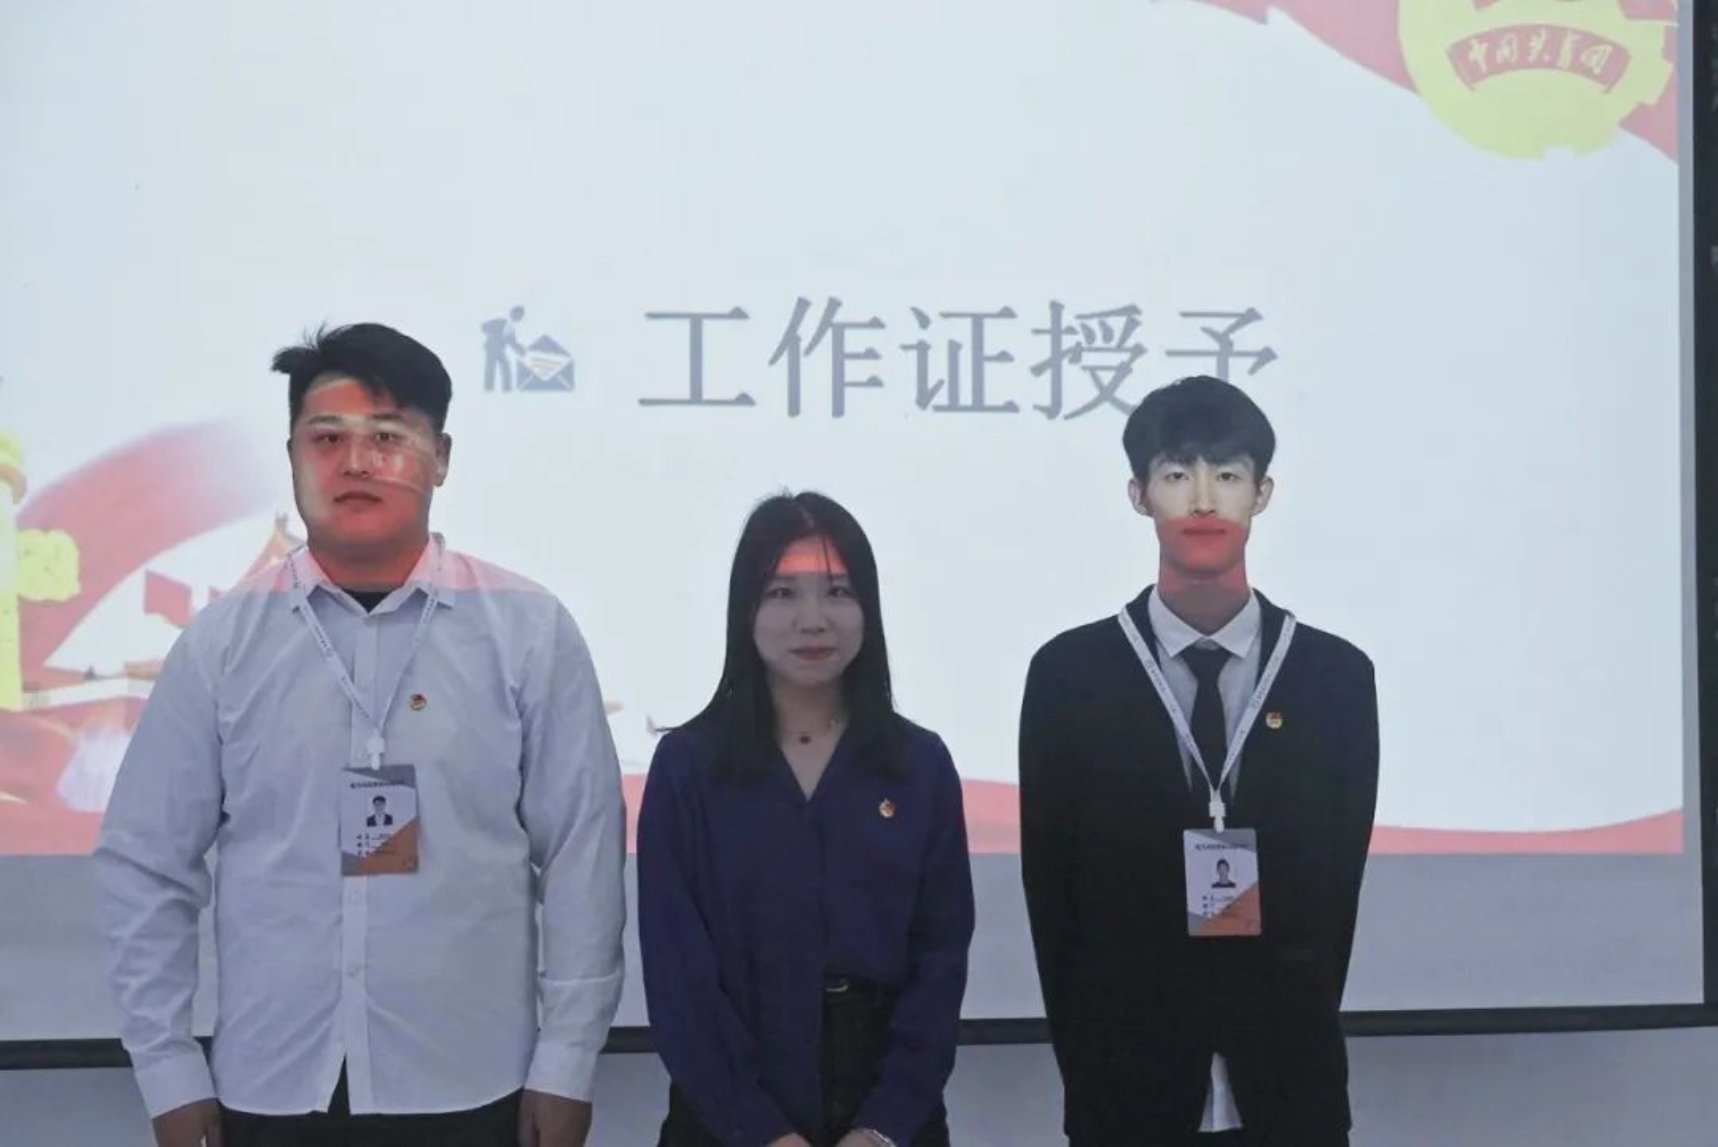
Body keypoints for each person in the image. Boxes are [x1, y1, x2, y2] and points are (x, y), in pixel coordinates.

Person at [95, 322, 626, 1147]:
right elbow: (146, 860)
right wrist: (167, 1065)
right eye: (327, 438)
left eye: (387, 436)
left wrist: (568, 1061)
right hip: (271, 1080)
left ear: (440, 457)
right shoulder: (224, 641)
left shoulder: (527, 629)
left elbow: (582, 855)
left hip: (472, 1076)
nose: (356, 462)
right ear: (292, 457)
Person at [1019, 375, 1380, 1147]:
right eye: (1178, 474)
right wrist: (1091, 1069)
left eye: (1229, 474)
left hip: (1291, 1090)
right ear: (1139, 494)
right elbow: (1054, 903)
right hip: (1127, 1093)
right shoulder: (1070, 675)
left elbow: (1334, 899)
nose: (1205, 499)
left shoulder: (1335, 678)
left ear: (1263, 493)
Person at [637, 492, 975, 1147]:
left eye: (838, 592)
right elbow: (679, 975)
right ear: (746, 608)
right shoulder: (688, 767)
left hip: (888, 1118)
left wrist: (882, 1127)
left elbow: (940, 960)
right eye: (782, 593)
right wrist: (762, 1131)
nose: (813, 620)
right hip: (728, 1117)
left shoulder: (919, 764)